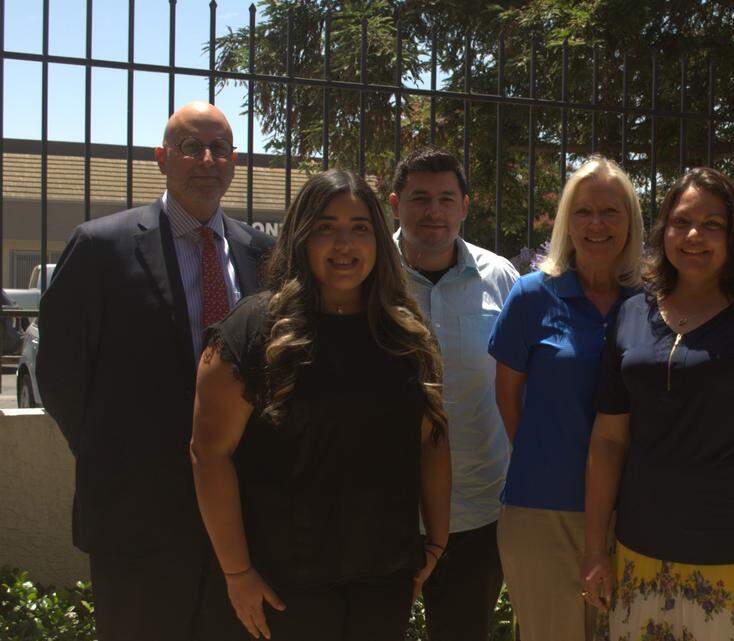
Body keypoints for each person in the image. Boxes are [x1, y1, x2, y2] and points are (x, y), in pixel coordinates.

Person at [35, 101, 274, 641]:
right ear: (162, 158)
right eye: (192, 147)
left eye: (221, 148)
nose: (207, 160)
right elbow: (60, 374)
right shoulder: (100, 247)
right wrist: (116, 451)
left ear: (235, 161)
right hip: (135, 516)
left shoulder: (261, 253)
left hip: (242, 517)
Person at [190, 169, 451, 641]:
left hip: (383, 580)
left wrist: (435, 543)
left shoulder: (407, 334)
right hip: (282, 587)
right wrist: (237, 572)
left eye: (359, 227)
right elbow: (209, 454)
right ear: (300, 237)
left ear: (378, 237)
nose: (343, 244)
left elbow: (432, 440)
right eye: (325, 228)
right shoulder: (251, 329)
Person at [580, 167, 734, 641]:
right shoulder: (631, 316)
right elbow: (608, 440)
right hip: (640, 554)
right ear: (663, 230)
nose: (694, 236)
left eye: (713, 224)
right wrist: (595, 550)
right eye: (681, 221)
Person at [487, 156, 643, 641]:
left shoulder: (650, 302)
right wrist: (547, 454)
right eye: (583, 211)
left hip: (635, 511)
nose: (596, 224)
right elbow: (508, 399)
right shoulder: (533, 296)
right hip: (542, 510)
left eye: (610, 211)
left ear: (631, 221)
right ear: (566, 223)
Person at [388, 146, 518, 639]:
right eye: (420, 198)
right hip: (388, 510)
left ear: (466, 205)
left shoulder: (501, 277)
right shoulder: (370, 275)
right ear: (396, 203)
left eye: (446, 198)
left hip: (478, 510)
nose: (433, 212)